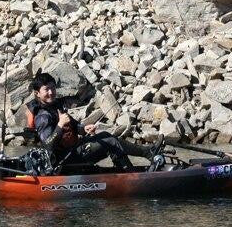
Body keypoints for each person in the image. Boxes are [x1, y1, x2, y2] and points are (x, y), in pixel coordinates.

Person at [24, 71, 162, 172]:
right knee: (110, 141)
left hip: (73, 151)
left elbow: (74, 126)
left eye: (53, 88)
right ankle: (132, 172)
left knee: (105, 137)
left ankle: (129, 168)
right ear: (37, 93)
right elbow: (48, 146)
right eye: (46, 89)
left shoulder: (56, 106)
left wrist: (84, 129)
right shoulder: (42, 116)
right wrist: (60, 125)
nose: (51, 92)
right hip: (63, 160)